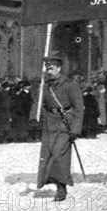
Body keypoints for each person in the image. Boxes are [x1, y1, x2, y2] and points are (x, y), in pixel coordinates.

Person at [29, 56, 84, 201]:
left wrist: (75, 129)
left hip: (65, 123)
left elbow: (79, 108)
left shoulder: (70, 85)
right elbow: (38, 102)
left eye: (52, 68)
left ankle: (61, 188)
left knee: (59, 154)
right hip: (49, 123)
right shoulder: (45, 86)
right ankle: (56, 183)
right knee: (48, 155)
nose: (49, 71)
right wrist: (34, 117)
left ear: (59, 69)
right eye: (47, 68)